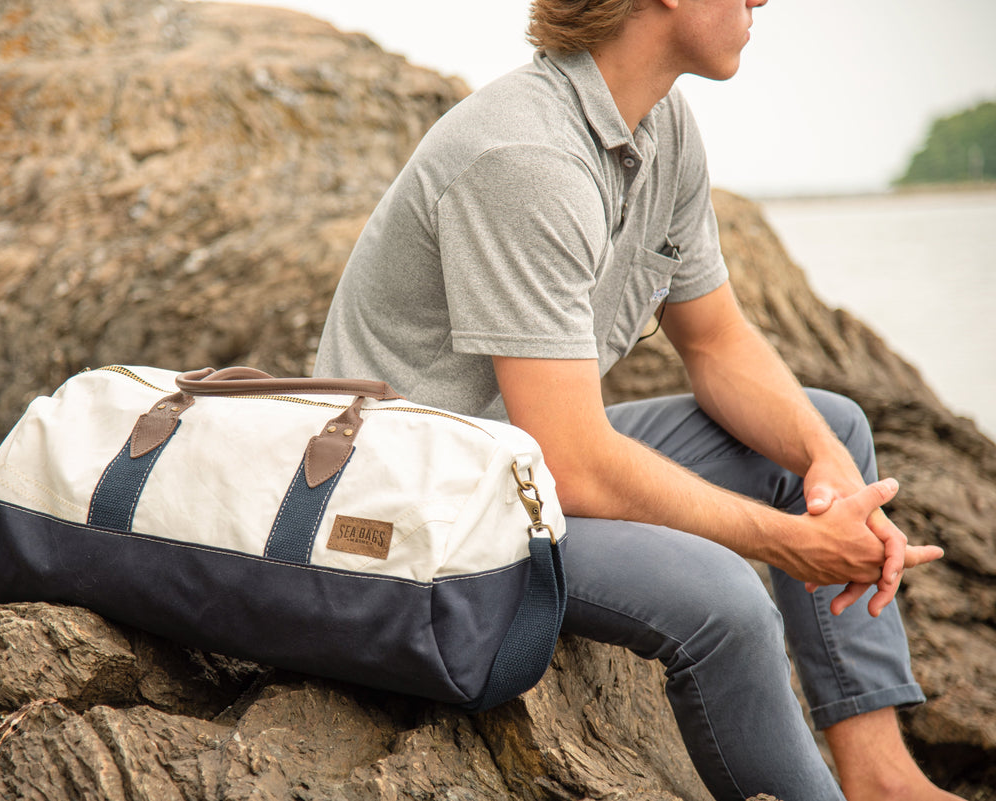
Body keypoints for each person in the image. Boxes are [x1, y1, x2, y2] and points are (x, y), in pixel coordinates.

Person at [314, 1, 963, 799]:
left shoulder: (664, 124)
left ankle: (882, 777)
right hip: (428, 514)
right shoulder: (525, 154)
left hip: (521, 461)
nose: (765, 1)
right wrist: (791, 542)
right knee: (724, 598)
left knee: (831, 425)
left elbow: (717, 342)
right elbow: (577, 466)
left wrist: (824, 467)